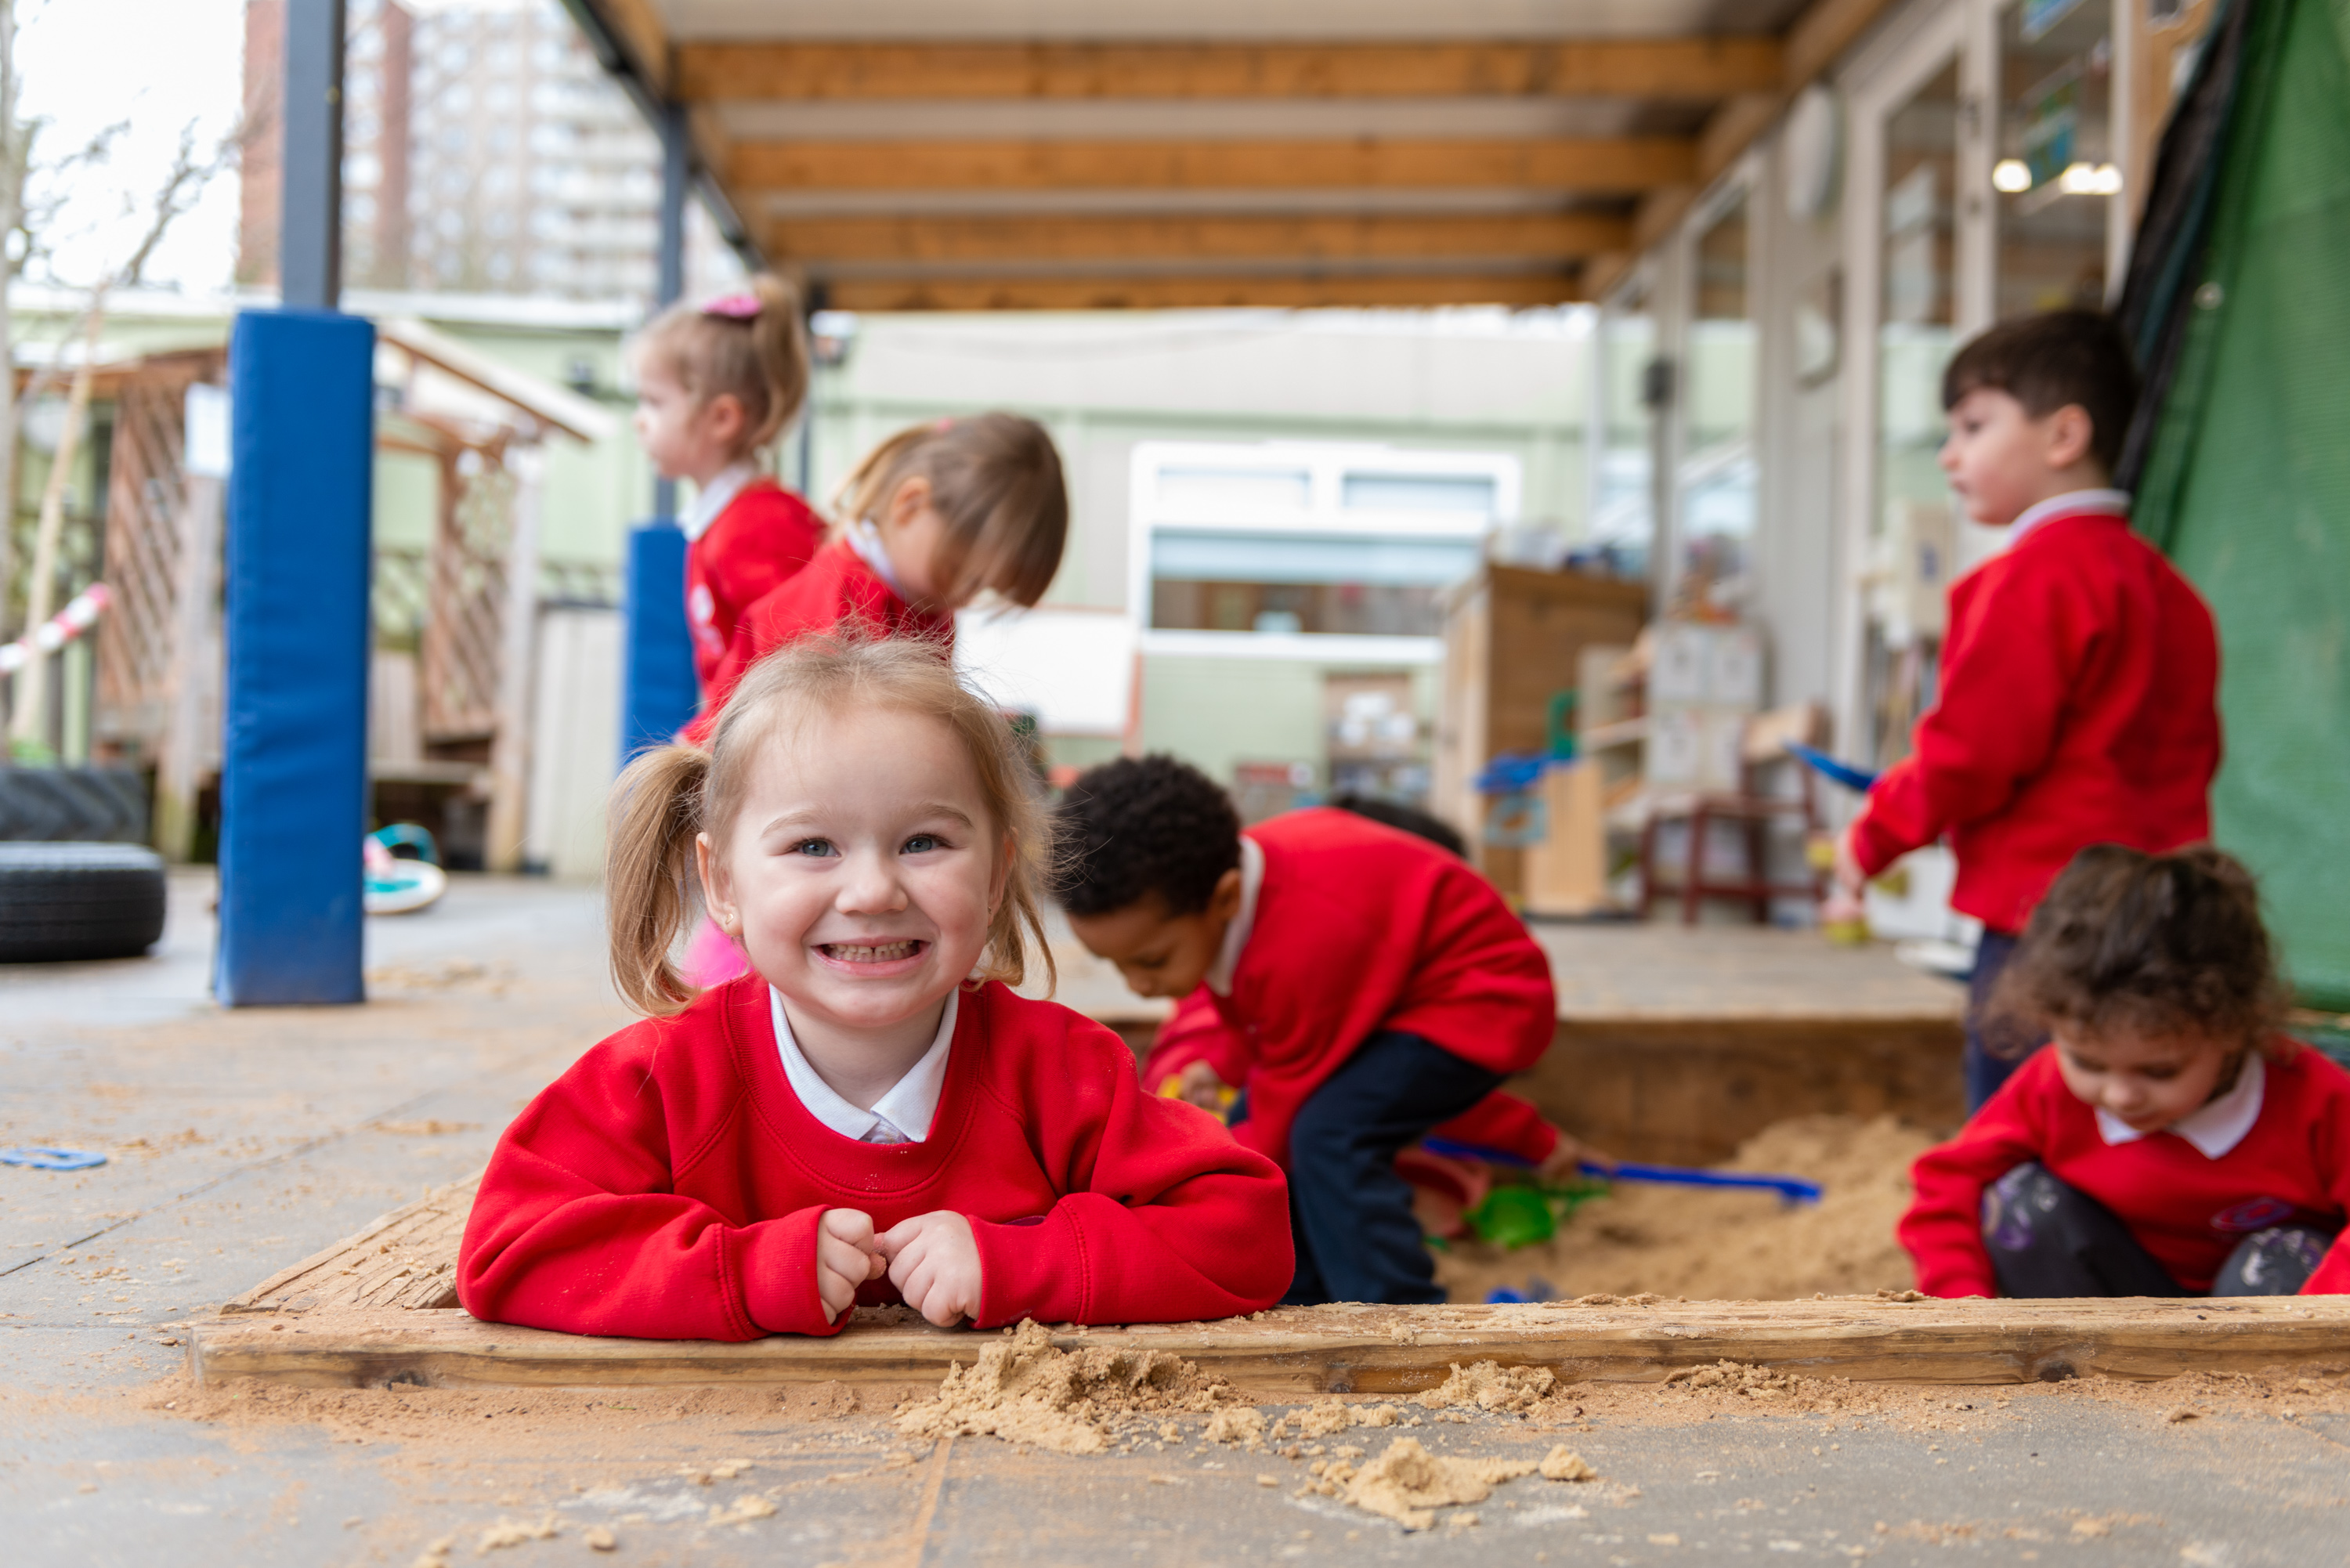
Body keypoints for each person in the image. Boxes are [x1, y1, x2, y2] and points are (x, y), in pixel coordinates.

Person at [458, 640, 1289, 1339]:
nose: (872, 891)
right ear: (723, 885)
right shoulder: (661, 1079)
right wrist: (744, 1271)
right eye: (813, 846)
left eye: (923, 840)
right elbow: (506, 1247)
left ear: (998, 874)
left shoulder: (1063, 1071)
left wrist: (1023, 1262)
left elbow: (1247, 1229)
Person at [1831, 309, 2222, 1110]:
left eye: (1973, 425)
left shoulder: (2029, 583)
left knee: (2022, 1125)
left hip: (2044, 923)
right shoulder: (2173, 594)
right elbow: (2197, 750)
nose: (1950, 455)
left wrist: (1873, 837)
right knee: (2133, 1120)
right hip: (2161, 918)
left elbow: (1969, 754)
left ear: (2063, 436)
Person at [1054, 755, 1562, 1306]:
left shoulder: (1300, 943)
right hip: (1399, 995)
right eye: (1116, 965)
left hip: (1484, 999)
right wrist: (1221, 1074)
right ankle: (1300, 1288)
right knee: (1267, 1118)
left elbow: (1283, 1104)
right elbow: (1252, 1026)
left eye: (1152, 961)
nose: (1137, 986)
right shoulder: (1231, 898)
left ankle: (1395, 1309)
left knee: (1330, 1136)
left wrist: (1189, 1178)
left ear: (1223, 898)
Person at [1900, 845, 2350, 1299]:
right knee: (2022, 1201)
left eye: (2160, 1071)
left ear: (2234, 1028)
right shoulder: (2049, 1084)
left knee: (2280, 1257)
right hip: (2109, 1309)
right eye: (2088, 1063)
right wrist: (1963, 1309)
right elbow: (1948, 1181)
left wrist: (2314, 1324)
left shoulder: (2314, 1097)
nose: (2120, 1096)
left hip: (2252, 1327)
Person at [1141, 793, 1584, 1183]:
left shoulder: (1267, 959)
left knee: (1335, 1134)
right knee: (1330, 1139)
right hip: (1194, 1110)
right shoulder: (1299, 970)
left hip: (1221, 1107)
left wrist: (1537, 1142)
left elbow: (1412, 1089)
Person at [696, 413, 1068, 725]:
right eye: (959, 572)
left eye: (983, 587)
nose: (965, 598)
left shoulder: (929, 607)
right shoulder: (843, 600)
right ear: (910, 505)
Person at [631, 273, 822, 703]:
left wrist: (700, 739)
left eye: (654, 403)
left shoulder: (758, 527)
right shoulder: (726, 521)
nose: (638, 420)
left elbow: (790, 665)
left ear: (721, 419)